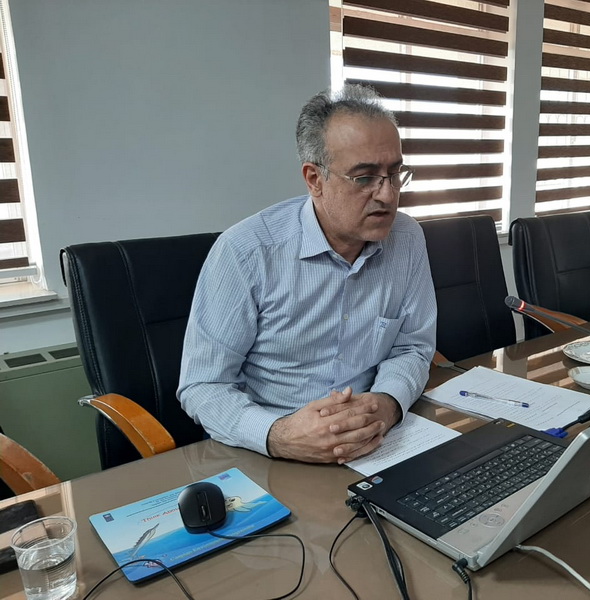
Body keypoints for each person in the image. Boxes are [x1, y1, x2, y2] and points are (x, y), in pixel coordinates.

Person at [177, 84, 437, 464]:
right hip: (269, 450)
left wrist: (387, 403)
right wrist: (279, 436)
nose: (387, 195)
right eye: (365, 178)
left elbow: (412, 347)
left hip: (375, 441)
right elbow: (203, 385)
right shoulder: (247, 253)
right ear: (315, 179)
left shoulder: (407, 238)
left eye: (395, 173)